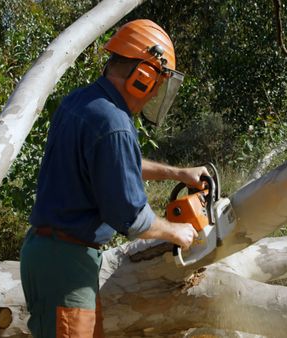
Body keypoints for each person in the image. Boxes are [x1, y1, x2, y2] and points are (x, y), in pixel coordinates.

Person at [19, 19, 204, 338]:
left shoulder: (81, 102)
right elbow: (131, 218)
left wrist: (178, 173)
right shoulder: (113, 122)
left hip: (49, 253)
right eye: (157, 84)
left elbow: (112, 163)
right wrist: (178, 232)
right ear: (143, 77)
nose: (154, 94)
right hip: (66, 261)